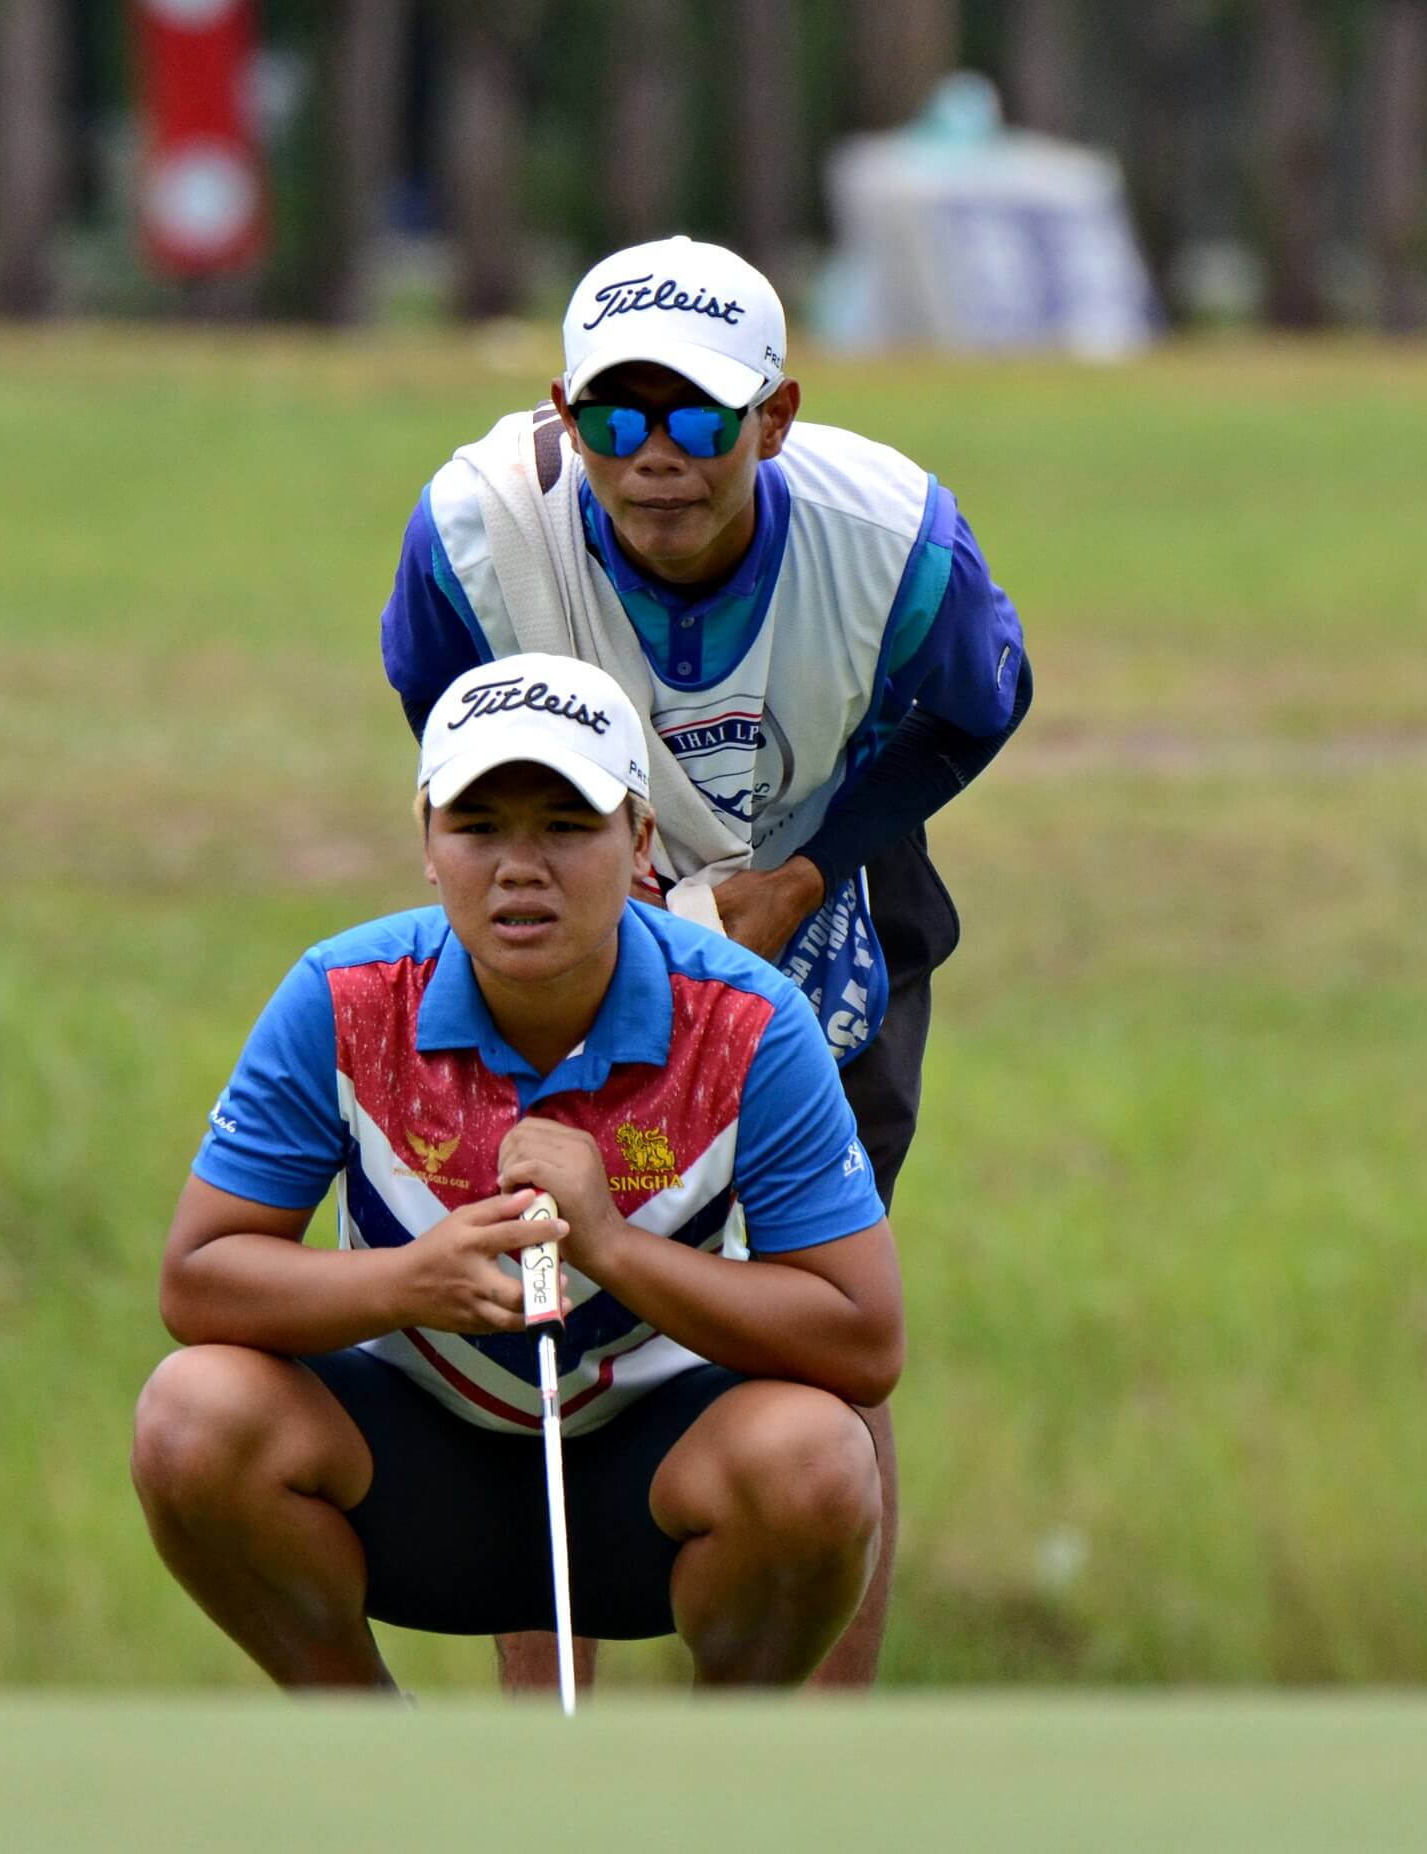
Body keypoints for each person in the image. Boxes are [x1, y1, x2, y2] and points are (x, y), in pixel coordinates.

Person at [378, 235, 1033, 1686]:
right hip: (566, 887)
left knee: (812, 1320)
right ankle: (553, 1772)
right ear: (562, 411)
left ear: (773, 418)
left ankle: (812, 1771)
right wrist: (588, 869)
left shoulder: (893, 536)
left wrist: (803, 872)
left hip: (822, 883)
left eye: (697, 417)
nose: (654, 456)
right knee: (541, 1299)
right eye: (615, 415)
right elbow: (444, 720)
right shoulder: (474, 528)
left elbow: (982, 701)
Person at [130, 654, 902, 1690]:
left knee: (818, 1459)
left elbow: (863, 1339)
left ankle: (716, 1797)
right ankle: (384, 1779)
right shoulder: (345, 997)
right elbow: (198, 1279)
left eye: (567, 825)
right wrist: (411, 1282)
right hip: (413, 1479)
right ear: (426, 843)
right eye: (478, 826)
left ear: (637, 843)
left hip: (658, 1483)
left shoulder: (748, 1021)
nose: (519, 866)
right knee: (192, 1416)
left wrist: (614, 1248)